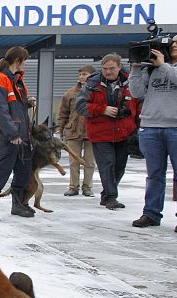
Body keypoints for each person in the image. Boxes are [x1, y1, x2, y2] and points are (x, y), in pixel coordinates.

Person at [127, 35, 177, 232]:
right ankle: (151, 213)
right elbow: (136, 93)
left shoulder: (166, 67)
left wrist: (164, 65)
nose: (174, 45)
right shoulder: (152, 69)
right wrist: (135, 67)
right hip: (151, 126)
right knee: (154, 175)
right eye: (173, 42)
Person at [0, 46, 36, 222]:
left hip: (22, 133)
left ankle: (18, 203)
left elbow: (14, 107)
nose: (25, 64)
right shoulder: (0, 79)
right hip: (9, 134)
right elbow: (0, 110)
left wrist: (27, 103)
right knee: (4, 168)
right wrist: (12, 133)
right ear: (18, 61)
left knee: (24, 169)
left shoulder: (16, 80)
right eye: (24, 61)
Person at [76, 53, 138, 210]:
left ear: (119, 66)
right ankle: (111, 197)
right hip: (100, 132)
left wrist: (137, 127)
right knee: (107, 164)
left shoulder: (132, 82)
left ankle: (107, 194)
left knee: (119, 166)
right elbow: (80, 106)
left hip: (124, 132)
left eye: (111, 68)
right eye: (105, 69)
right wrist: (102, 109)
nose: (108, 72)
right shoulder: (92, 84)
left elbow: (139, 105)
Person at [55, 65, 97, 197]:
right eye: (80, 74)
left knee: (90, 162)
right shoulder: (70, 93)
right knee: (74, 161)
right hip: (73, 131)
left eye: (85, 74)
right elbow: (63, 114)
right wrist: (59, 130)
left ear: (92, 76)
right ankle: (73, 186)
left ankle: (87, 187)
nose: (81, 77)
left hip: (92, 132)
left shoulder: (97, 92)